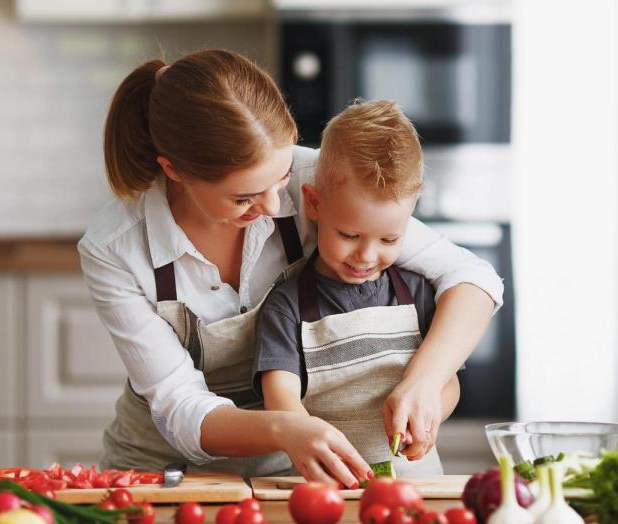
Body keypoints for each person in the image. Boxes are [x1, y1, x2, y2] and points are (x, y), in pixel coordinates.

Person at [78, 49, 501, 488]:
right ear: (175, 170)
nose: (274, 206)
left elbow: (472, 279)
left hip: (293, 464)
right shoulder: (117, 248)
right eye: (244, 198)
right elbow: (181, 407)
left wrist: (426, 381)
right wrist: (287, 428)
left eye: (280, 181)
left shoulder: (317, 178)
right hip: (167, 468)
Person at [253, 100, 458, 478]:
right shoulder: (286, 306)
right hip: (330, 483)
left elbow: (448, 384)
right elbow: (281, 400)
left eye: (389, 239)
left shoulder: (419, 293)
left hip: (419, 484)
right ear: (313, 203)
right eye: (349, 235)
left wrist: (429, 414)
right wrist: (316, 443)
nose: (366, 255)